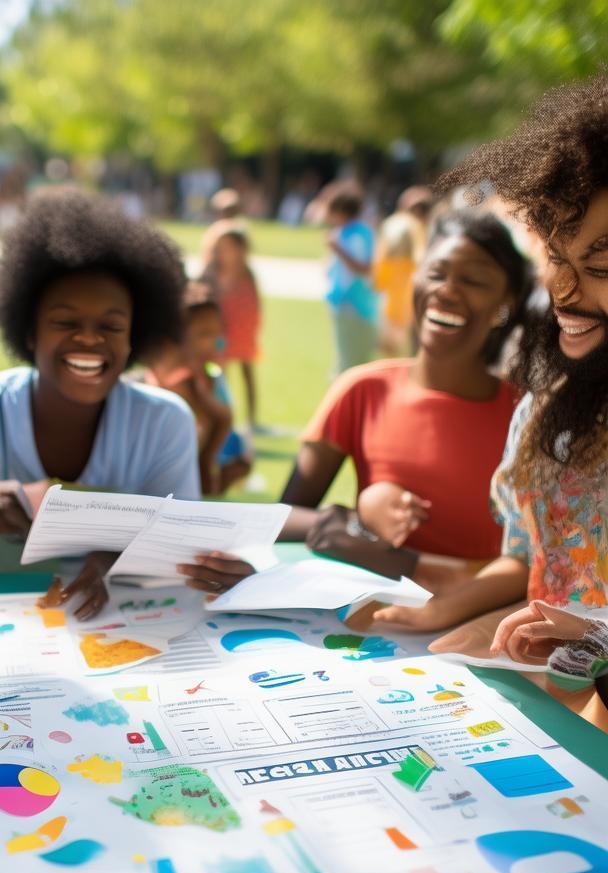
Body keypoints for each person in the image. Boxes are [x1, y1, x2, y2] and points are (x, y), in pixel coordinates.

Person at [374, 76, 608, 729]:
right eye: (556, 257)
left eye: (599, 268)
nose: (564, 291)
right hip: (547, 711)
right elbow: (529, 560)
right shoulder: (544, 412)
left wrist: (594, 637)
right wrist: (455, 612)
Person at [0, 188, 198, 617]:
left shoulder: (165, 421)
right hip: (5, 633)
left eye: (111, 326)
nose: (89, 338)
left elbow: (182, 546)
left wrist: (108, 559)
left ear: (133, 338)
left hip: (127, 630)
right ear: (29, 332)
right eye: (65, 322)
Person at [178, 210, 532, 596]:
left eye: (473, 280)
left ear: (506, 304)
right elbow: (280, 520)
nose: (447, 290)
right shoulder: (362, 390)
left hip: (481, 621)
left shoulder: (528, 416)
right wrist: (358, 517)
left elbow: (543, 561)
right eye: (436, 273)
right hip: (374, 622)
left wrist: (420, 568)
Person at [142, 282, 252, 495]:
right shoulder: (173, 380)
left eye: (217, 334)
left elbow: (224, 419)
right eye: (204, 334)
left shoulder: (209, 377)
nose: (214, 343)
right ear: (175, 337)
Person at [203, 227, 264, 431]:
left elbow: (254, 303)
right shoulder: (211, 273)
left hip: (242, 333)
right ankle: (222, 416)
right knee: (218, 375)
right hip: (219, 334)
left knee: (247, 373)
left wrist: (254, 327)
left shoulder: (247, 274)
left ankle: (251, 420)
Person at [323, 184, 379, 373]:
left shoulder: (356, 234)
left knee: (349, 363)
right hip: (348, 305)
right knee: (348, 359)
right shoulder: (350, 232)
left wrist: (337, 249)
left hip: (354, 305)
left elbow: (363, 268)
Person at [374, 186, 433, 355]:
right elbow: (421, 259)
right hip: (408, 295)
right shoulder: (416, 227)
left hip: (388, 293)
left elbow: (379, 259)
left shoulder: (391, 223)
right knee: (409, 349)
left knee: (389, 349)